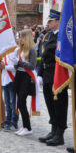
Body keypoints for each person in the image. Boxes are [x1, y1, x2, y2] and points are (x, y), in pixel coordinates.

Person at [38, 9, 68, 146]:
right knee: (49, 103)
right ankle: (53, 128)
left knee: (59, 104)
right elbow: (43, 56)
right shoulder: (47, 36)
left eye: (51, 20)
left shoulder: (63, 37)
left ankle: (59, 133)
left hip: (57, 74)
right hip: (46, 73)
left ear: (58, 21)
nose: (48, 23)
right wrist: (39, 74)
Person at [13, 29, 37, 136]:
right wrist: (15, 63)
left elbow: (32, 65)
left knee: (22, 101)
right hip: (19, 75)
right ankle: (24, 126)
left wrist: (19, 62)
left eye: (21, 37)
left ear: (26, 38)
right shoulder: (21, 49)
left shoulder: (32, 49)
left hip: (27, 77)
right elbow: (19, 64)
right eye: (19, 37)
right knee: (20, 102)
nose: (19, 39)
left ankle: (28, 127)